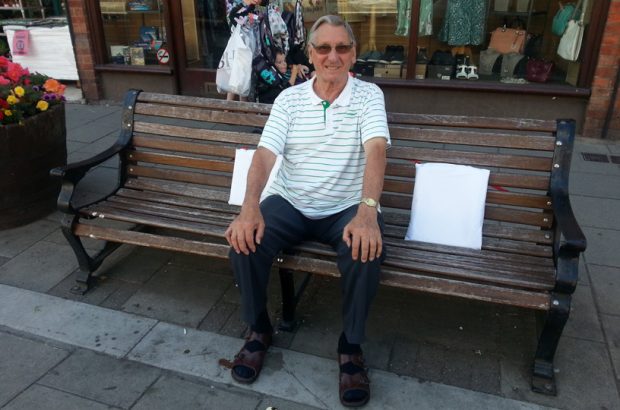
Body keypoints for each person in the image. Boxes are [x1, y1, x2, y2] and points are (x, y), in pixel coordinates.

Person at [224, 15, 390, 408]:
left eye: (342, 47)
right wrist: (250, 209)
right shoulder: (289, 99)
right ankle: (258, 330)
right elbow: (264, 156)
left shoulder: (369, 96)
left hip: (346, 205)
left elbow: (376, 151)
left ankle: (350, 348)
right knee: (244, 243)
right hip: (292, 200)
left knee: (366, 251)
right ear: (311, 54)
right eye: (323, 48)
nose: (333, 56)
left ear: (353, 54)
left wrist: (368, 212)